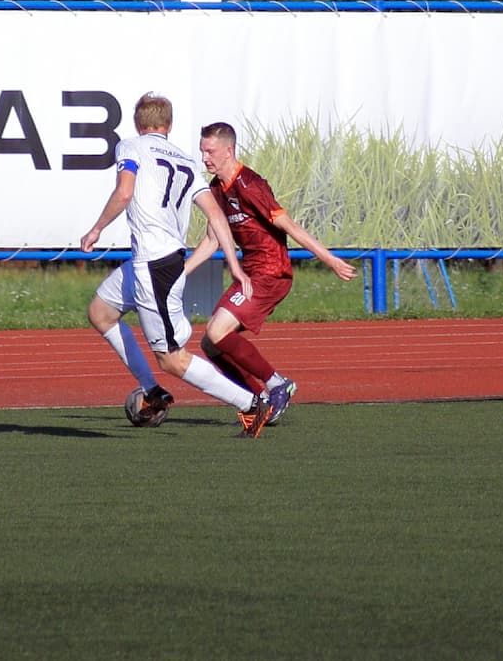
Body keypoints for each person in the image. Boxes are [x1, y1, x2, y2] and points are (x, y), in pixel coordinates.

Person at [80, 92, 276, 436]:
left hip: (154, 266)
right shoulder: (185, 159)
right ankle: (153, 391)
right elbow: (215, 214)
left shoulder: (131, 146)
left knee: (172, 358)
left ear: (138, 124)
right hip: (155, 261)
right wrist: (234, 264)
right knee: (101, 312)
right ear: (168, 126)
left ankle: (251, 403)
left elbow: (124, 193)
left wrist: (96, 228)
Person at [185, 121, 357, 421]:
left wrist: (329, 260)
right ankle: (259, 398)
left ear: (229, 150)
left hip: (271, 273)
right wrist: (181, 272)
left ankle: (279, 384)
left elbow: (289, 226)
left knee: (216, 331)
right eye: (202, 151)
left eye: (210, 151)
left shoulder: (250, 184)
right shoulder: (215, 189)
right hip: (250, 275)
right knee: (210, 344)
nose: (204, 158)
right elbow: (213, 239)